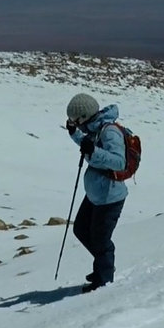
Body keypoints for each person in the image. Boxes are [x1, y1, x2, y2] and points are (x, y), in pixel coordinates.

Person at [64, 93, 127, 292]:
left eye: (75, 120)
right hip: (96, 194)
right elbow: (88, 144)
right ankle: (102, 264)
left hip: (109, 197)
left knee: (100, 240)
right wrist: (75, 135)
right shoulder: (94, 128)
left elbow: (119, 162)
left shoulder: (109, 132)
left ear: (84, 116)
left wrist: (94, 151)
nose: (75, 123)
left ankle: (104, 281)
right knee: (81, 230)